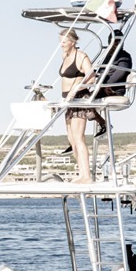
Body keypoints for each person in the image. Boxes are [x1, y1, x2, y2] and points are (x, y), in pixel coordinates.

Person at [57, 29, 98, 183]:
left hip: (79, 99)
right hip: (67, 101)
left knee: (78, 137)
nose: (61, 44)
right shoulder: (65, 56)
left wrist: (76, 88)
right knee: (71, 139)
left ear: (72, 42)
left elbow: (91, 78)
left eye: (64, 41)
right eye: (60, 41)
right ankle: (81, 173)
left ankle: (87, 176)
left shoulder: (81, 56)